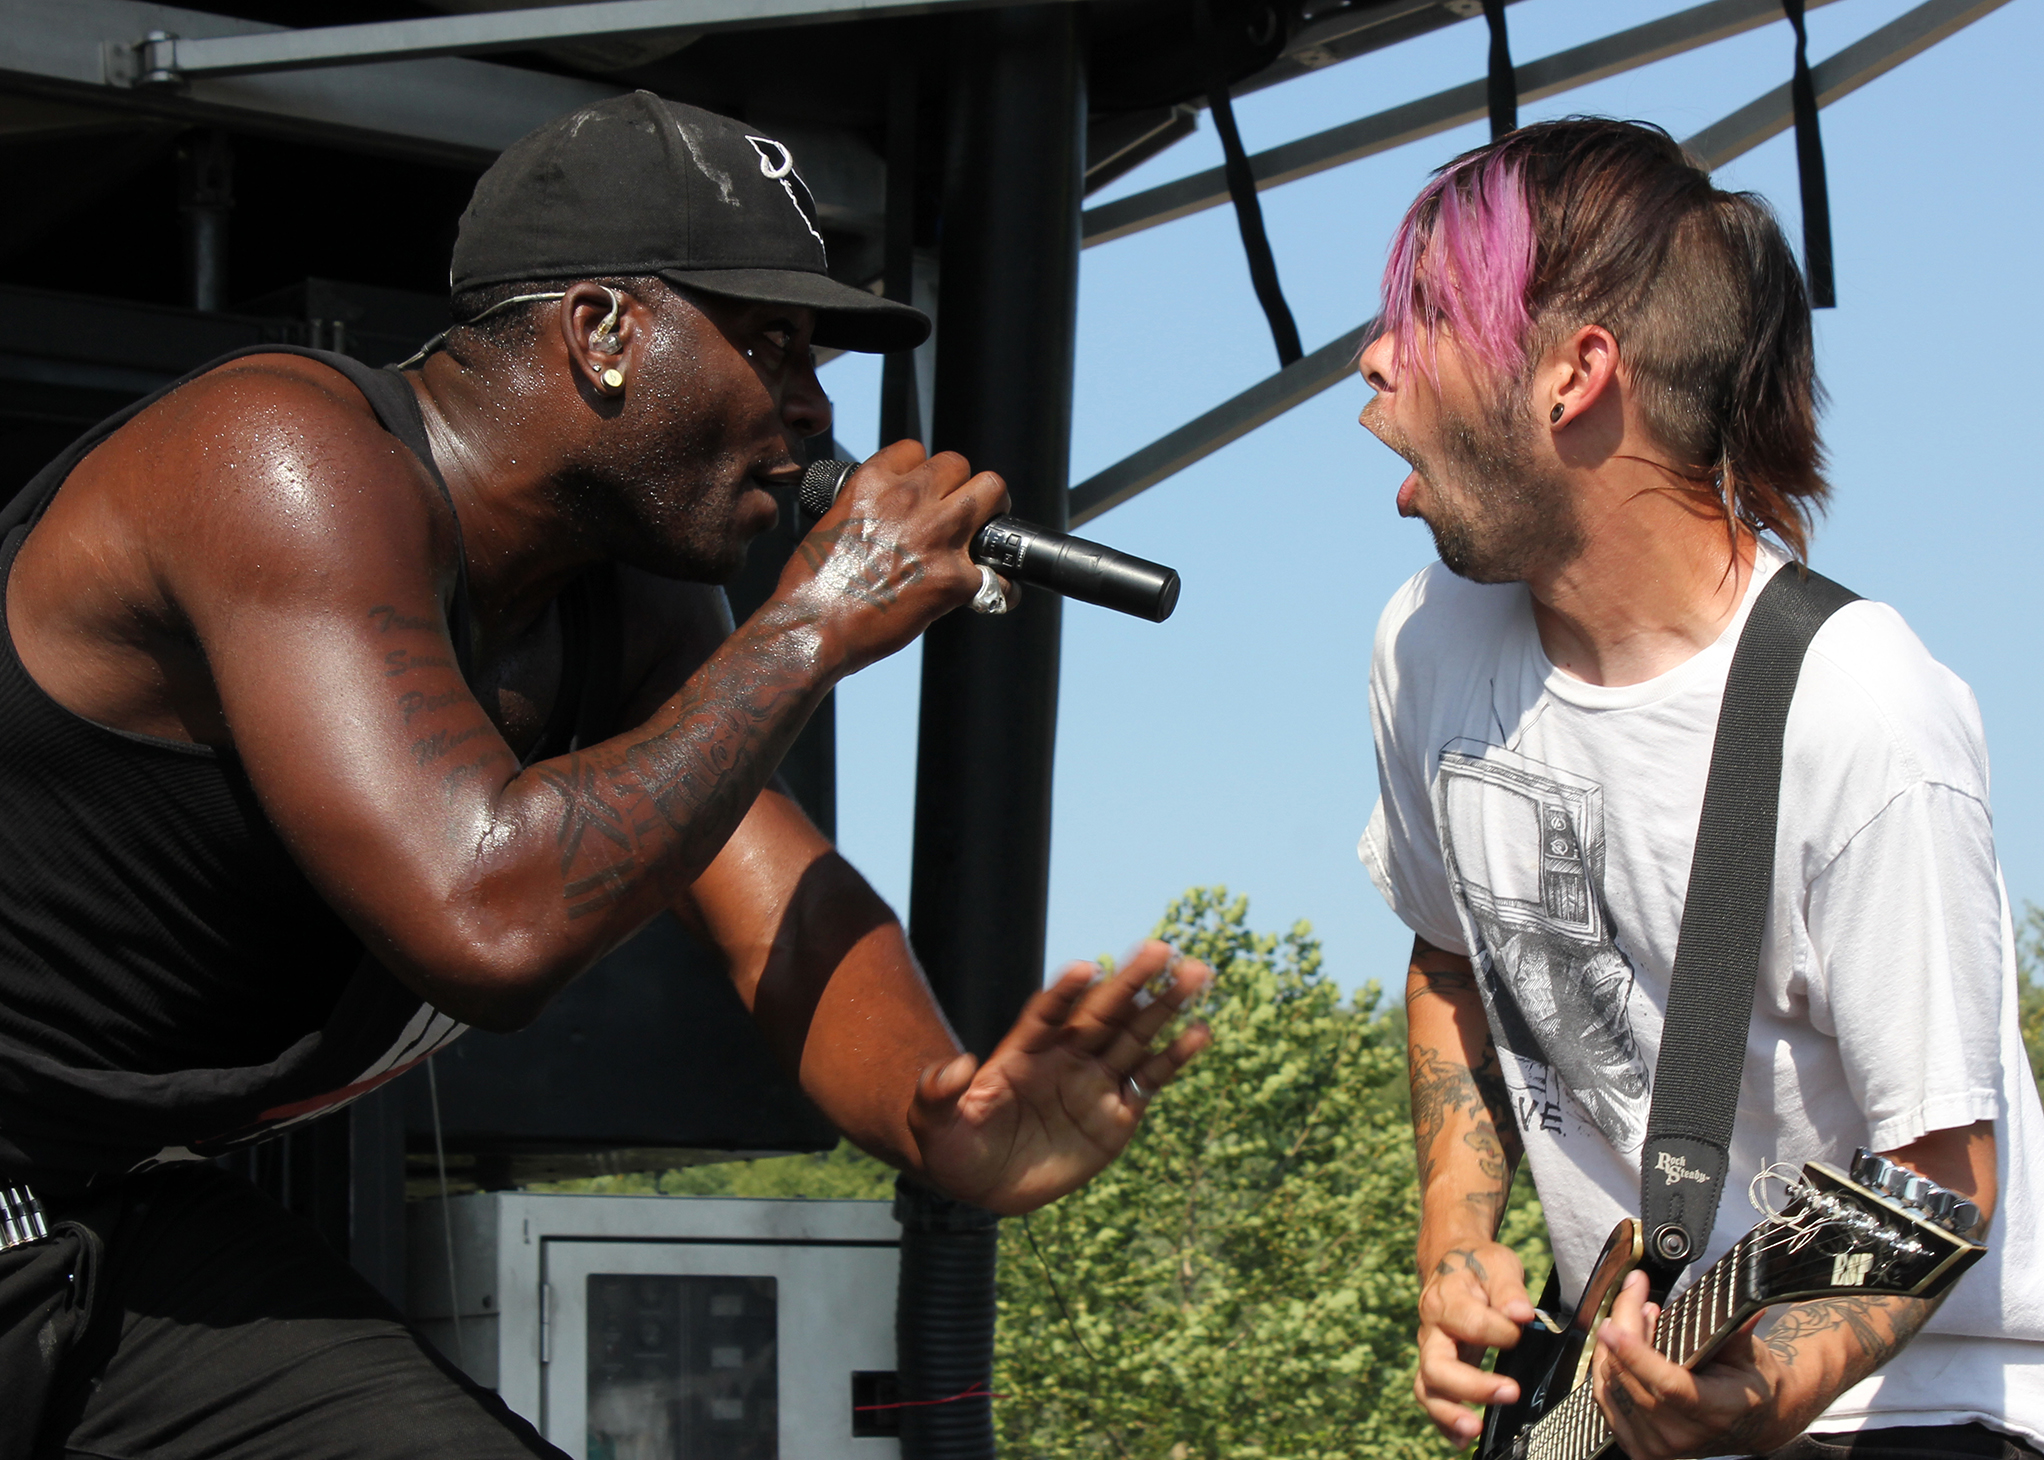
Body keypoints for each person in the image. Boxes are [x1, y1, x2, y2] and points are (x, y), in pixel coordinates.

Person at [0, 92, 1211, 1459]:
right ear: (603, 333)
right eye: (770, 344)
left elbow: (778, 911)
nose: (815, 410)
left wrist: (944, 1112)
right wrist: (813, 627)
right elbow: (486, 918)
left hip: (111, 1219)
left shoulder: (628, 604)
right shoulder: (280, 461)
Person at [1356, 118, 2044, 1459]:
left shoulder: (1860, 713)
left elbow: (1943, 1175)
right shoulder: (1427, 645)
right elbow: (1448, 964)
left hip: (1922, 1404)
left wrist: (1765, 1390)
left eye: (1428, 315)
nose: (1377, 361)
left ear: (1575, 374)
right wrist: (1456, 1237)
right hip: (1623, 1401)